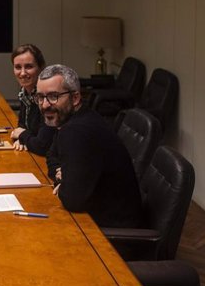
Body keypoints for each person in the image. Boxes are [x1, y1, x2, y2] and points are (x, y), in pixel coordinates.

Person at [38, 64, 142, 228]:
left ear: (75, 98)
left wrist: (65, 180)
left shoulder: (77, 131)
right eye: (40, 97)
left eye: (53, 96)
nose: (44, 105)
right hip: (96, 218)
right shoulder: (76, 119)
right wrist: (63, 175)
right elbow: (52, 155)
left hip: (110, 235)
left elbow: (72, 201)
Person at [9, 44, 55, 155]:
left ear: (41, 68)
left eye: (29, 66)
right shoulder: (25, 91)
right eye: (18, 67)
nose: (23, 73)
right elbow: (22, 126)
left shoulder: (47, 97)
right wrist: (22, 138)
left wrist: (22, 136)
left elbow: (42, 145)